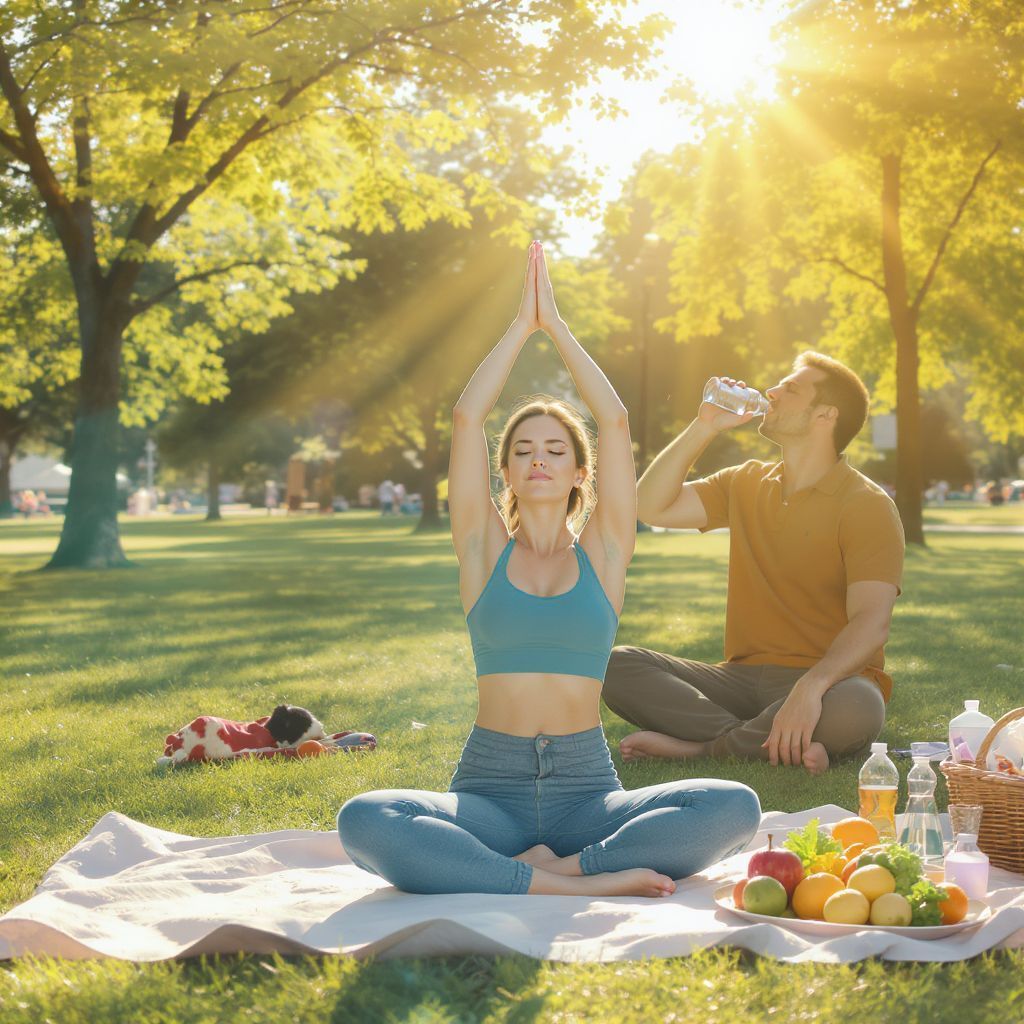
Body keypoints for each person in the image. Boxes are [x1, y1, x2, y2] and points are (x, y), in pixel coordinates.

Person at [337, 242, 761, 897]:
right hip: (489, 791)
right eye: (524, 449)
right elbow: (466, 416)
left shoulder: (605, 553)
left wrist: (557, 327)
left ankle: (558, 869)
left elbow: (615, 422)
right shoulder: (482, 551)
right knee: (366, 820)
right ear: (503, 471)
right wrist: (520, 326)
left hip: (587, 791)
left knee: (734, 807)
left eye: (556, 449)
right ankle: (566, 883)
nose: (538, 459)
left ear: (579, 472)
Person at [603, 357, 904, 777]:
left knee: (859, 706)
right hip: (738, 682)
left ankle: (701, 750)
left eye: (790, 389)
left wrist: (810, 688)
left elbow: (872, 623)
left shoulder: (867, 505)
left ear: (825, 415)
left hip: (829, 682)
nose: (772, 393)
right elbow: (651, 505)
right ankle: (771, 742)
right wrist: (704, 426)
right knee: (616, 665)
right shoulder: (744, 481)